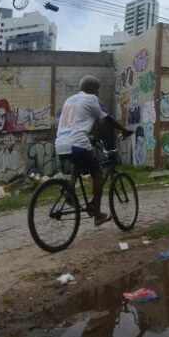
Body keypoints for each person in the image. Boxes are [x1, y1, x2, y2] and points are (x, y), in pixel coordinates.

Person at [55, 75, 132, 225]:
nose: (97, 94)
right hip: (77, 142)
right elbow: (106, 119)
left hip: (61, 143)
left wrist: (92, 135)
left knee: (76, 163)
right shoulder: (91, 99)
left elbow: (79, 121)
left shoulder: (69, 100)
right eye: (97, 91)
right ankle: (97, 214)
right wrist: (124, 130)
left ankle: (70, 194)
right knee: (97, 173)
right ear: (91, 90)